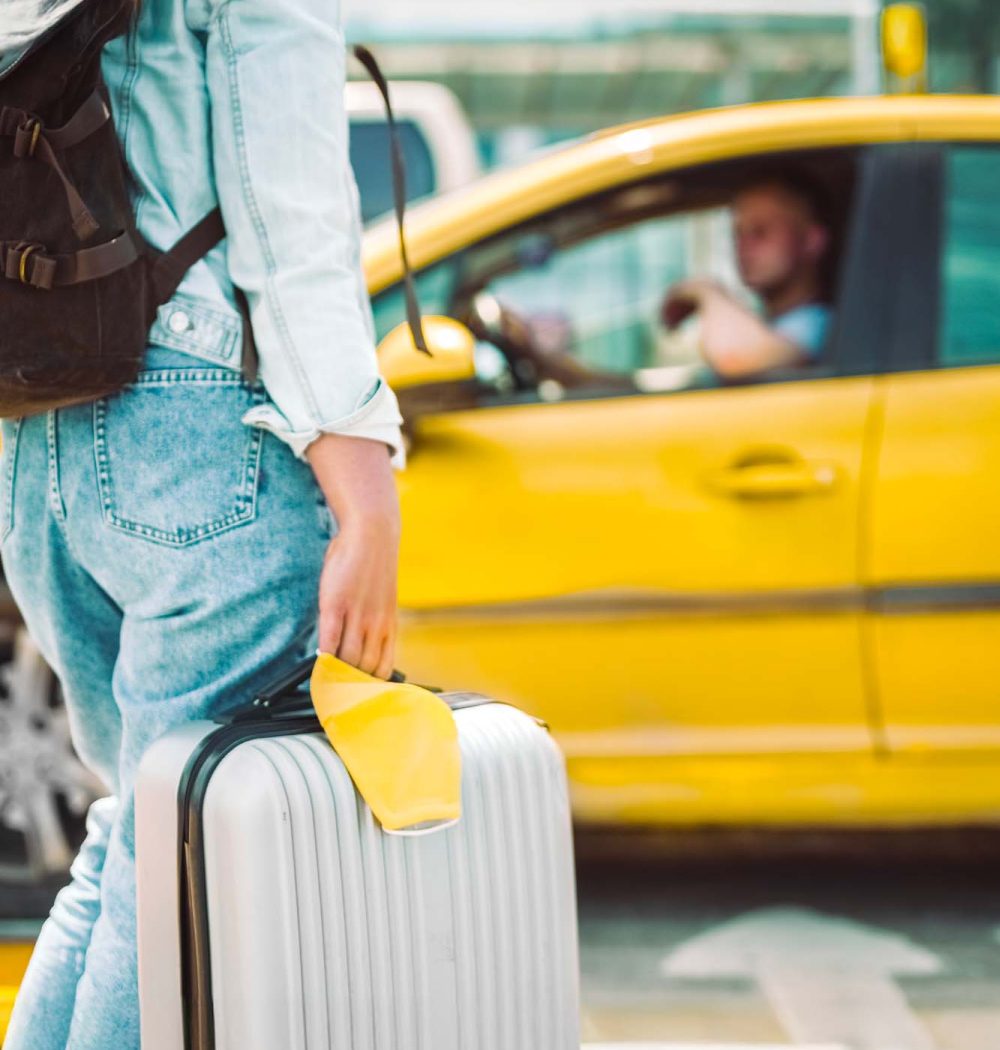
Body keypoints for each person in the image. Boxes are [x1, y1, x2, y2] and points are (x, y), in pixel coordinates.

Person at [0, 0, 404, 1045]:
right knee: (187, 866)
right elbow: (289, 206)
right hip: (199, 433)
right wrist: (361, 477)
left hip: (41, 448)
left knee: (140, 839)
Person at [661, 172, 834, 379]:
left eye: (760, 232)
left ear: (811, 241)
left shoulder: (821, 326)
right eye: (737, 233)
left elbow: (733, 358)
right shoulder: (769, 324)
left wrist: (705, 290)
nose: (743, 246)